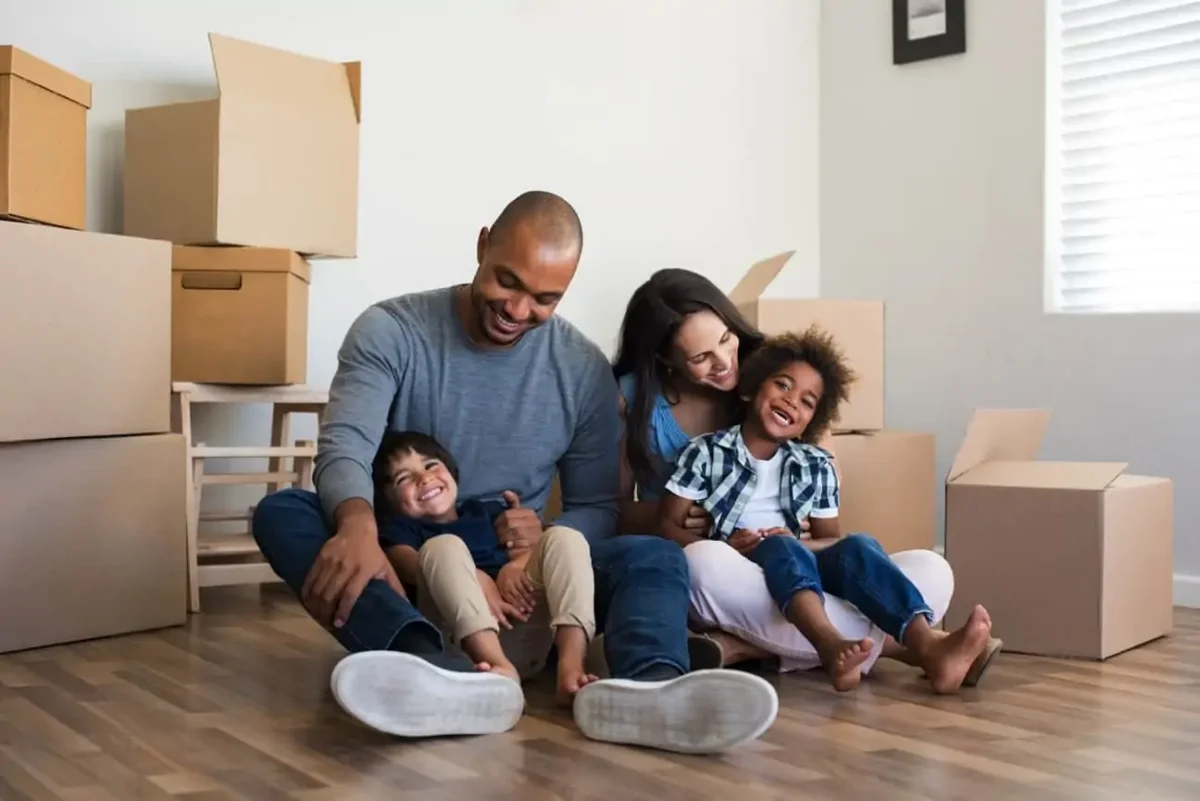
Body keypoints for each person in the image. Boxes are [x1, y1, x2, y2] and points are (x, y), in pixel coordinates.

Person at [252, 191, 778, 754]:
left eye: (544, 299)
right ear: (482, 246)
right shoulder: (391, 331)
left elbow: (597, 506)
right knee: (284, 513)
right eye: (507, 281)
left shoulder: (581, 370)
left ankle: (648, 687)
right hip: (408, 559)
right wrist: (357, 525)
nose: (518, 310)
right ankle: (429, 661)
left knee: (654, 555)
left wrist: (537, 547)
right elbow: (346, 445)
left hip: (524, 582)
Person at [612, 268, 994, 685]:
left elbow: (830, 526)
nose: (725, 363)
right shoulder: (679, 433)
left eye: (725, 340)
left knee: (930, 568)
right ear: (666, 360)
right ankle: (905, 647)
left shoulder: (783, 386)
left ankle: (741, 647)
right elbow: (618, 511)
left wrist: (807, 536)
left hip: (802, 564)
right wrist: (699, 531)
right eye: (701, 357)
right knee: (706, 561)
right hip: (723, 565)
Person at [371, 429, 598, 702]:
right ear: (388, 501)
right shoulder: (403, 530)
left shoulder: (486, 511)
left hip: (522, 625)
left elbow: (530, 550)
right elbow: (406, 563)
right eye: (404, 478)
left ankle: (571, 669)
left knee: (565, 537)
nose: (424, 478)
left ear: (452, 473)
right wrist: (475, 577)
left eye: (430, 465)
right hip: (465, 645)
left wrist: (514, 567)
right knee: (443, 546)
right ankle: (499, 668)